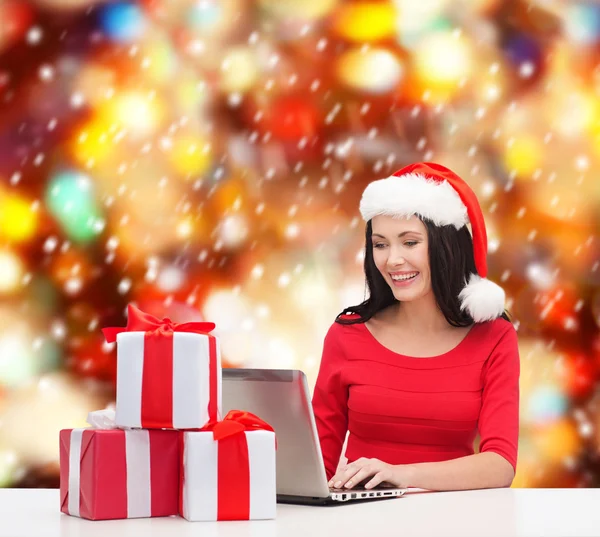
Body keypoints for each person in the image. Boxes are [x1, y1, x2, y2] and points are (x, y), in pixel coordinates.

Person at [312, 162, 520, 492]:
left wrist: (400, 476)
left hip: (453, 520)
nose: (392, 259)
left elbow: (500, 464)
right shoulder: (346, 335)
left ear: (446, 246)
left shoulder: (494, 338)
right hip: (360, 519)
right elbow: (316, 465)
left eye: (409, 242)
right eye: (380, 244)